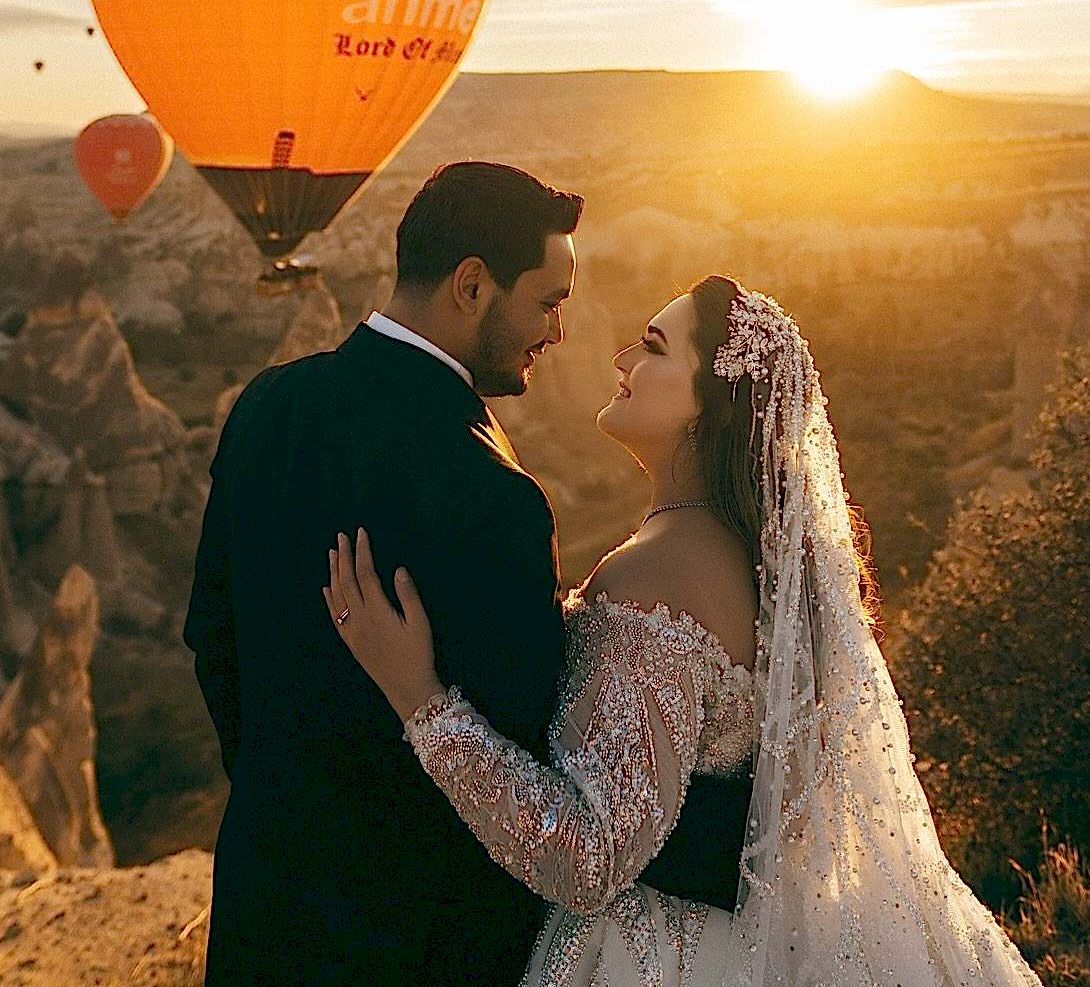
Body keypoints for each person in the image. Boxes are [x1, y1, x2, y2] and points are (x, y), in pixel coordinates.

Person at [329, 278, 1046, 987]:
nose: (620, 361)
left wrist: (420, 700)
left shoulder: (656, 575)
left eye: (653, 347)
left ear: (710, 405)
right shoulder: (761, 564)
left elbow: (590, 858)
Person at [183, 162, 751, 986]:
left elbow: (214, 641)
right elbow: (539, 752)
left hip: (267, 907)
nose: (557, 331)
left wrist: (290, 800)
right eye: (548, 302)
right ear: (473, 285)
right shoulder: (491, 494)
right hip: (426, 942)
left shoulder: (268, 406)